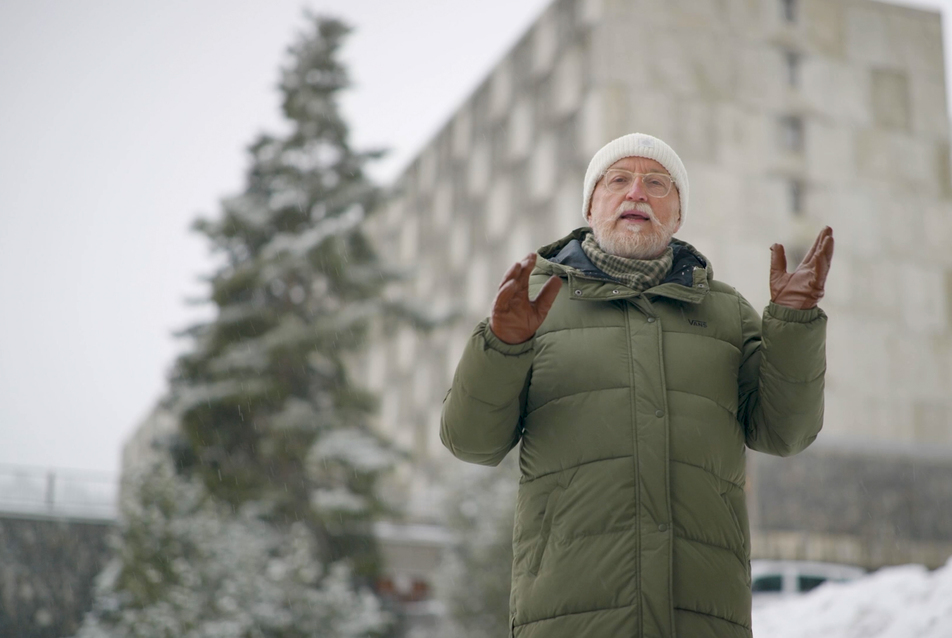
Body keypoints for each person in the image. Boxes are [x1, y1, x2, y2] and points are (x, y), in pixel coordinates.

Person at [440, 133, 834, 638]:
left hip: (702, 617)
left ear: (677, 214)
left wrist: (794, 324)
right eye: (619, 180)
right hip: (570, 617)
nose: (637, 193)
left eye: (656, 183)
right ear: (591, 205)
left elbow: (786, 433)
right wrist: (501, 345)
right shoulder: (531, 306)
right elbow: (471, 442)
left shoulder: (727, 313)